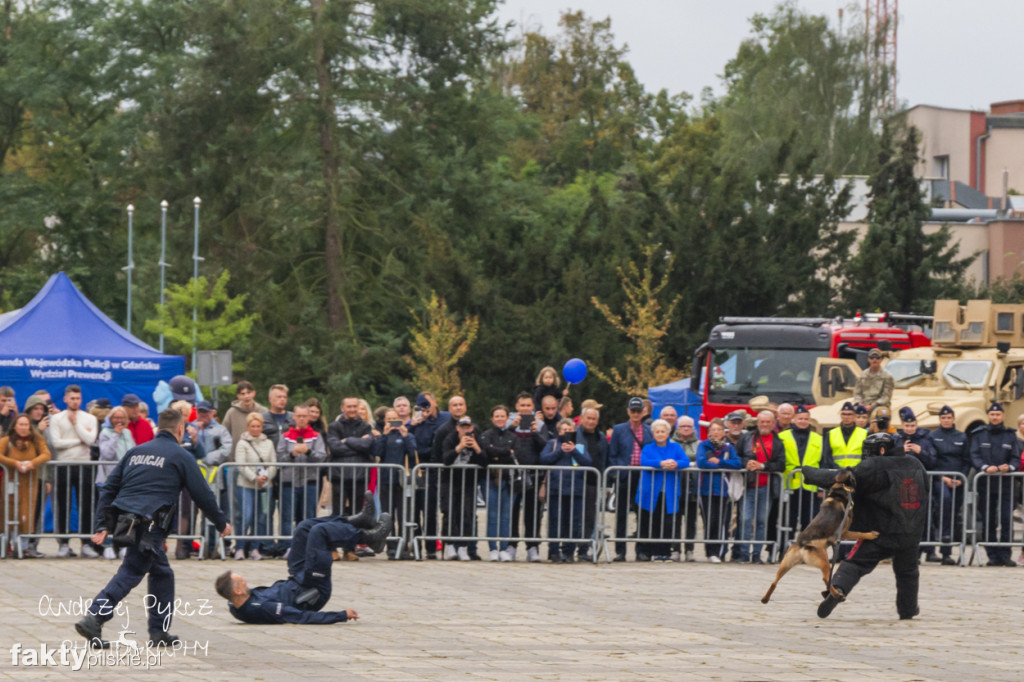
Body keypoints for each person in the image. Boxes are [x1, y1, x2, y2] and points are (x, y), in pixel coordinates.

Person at [74, 408, 232, 647]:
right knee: (131, 571)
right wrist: (221, 522)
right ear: (180, 430)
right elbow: (202, 494)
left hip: (126, 521)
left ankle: (159, 632)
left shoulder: (135, 452)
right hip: (151, 525)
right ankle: (94, 616)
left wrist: (102, 524)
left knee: (162, 573)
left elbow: (108, 488)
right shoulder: (180, 456)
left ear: (158, 429)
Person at [215, 493, 388, 625]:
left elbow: (231, 600)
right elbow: (298, 616)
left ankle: (357, 521)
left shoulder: (235, 603)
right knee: (319, 532)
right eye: (241, 582)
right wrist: (341, 615)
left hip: (297, 578)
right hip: (312, 588)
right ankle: (368, 538)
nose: (245, 580)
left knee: (303, 528)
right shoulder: (260, 608)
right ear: (237, 591)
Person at [808, 432, 928, 620]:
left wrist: (809, 472)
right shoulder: (915, 463)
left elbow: (842, 478)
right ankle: (908, 610)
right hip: (910, 530)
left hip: (879, 530)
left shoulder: (876, 464)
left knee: (856, 563)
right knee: (908, 572)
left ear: (881, 450)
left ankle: (838, 588)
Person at [50, 385, 100, 558]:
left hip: (84, 466)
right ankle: (63, 543)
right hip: (64, 465)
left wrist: (76, 424)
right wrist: (79, 441)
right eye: (72, 398)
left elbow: (90, 439)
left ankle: (86, 542)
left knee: (85, 505)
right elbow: (57, 443)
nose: (75, 401)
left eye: (78, 398)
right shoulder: (57, 419)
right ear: (65, 399)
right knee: (63, 504)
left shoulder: (89, 418)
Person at [970, 403, 1019, 567]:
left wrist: (1009, 467)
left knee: (1006, 520)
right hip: (986, 483)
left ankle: (1006, 554)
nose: (995, 417)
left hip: (1006, 484)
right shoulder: (979, 434)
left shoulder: (1010, 435)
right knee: (988, 520)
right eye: (992, 414)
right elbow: (975, 455)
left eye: (998, 414)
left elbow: (1015, 457)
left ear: (1003, 416)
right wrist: (985, 468)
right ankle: (992, 555)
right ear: (988, 416)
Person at [540, 418, 595, 562]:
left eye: (569, 430)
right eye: (564, 430)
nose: (566, 433)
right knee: (555, 521)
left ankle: (569, 552)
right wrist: (560, 451)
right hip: (555, 489)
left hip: (575, 490)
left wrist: (574, 451)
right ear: (559, 432)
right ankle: (554, 552)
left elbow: (588, 462)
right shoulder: (552, 444)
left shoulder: (580, 446)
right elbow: (544, 459)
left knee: (573, 522)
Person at [633, 419, 688, 562]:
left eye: (662, 431)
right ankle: (645, 551)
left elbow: (685, 461)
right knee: (649, 521)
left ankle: (663, 552)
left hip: (668, 491)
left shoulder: (676, 447)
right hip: (650, 491)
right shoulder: (648, 448)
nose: (660, 434)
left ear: (668, 433)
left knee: (667, 523)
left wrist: (676, 464)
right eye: (657, 431)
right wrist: (661, 463)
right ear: (653, 434)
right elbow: (644, 461)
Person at [608, 397, 654, 561]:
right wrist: (617, 474)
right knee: (621, 515)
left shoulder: (649, 430)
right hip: (624, 475)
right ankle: (620, 551)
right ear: (628, 411)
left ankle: (641, 550)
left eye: (638, 411)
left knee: (643, 514)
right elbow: (612, 454)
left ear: (643, 412)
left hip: (643, 476)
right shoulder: (619, 430)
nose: (635, 414)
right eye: (632, 411)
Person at [735, 411, 784, 564]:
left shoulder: (777, 441)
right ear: (758, 422)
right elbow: (736, 456)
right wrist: (746, 464)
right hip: (747, 485)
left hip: (767, 487)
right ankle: (743, 553)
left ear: (772, 423)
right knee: (745, 519)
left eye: (767, 422)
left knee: (762, 521)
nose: (764, 424)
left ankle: (757, 553)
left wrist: (762, 466)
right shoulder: (746, 437)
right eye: (762, 422)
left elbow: (781, 464)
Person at [0, 413, 50, 558]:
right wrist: (15, 463)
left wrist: (31, 463)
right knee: (7, 512)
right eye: (20, 424)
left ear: (29, 426)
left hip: (29, 483)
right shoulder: (6, 440)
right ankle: (6, 545)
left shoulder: (36, 440)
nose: (23, 427)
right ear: (15, 426)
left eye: (26, 424)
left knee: (27, 513)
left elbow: (46, 454)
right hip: (9, 482)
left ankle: (24, 546)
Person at [278, 404, 327, 544]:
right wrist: (292, 454)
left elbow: (322, 456)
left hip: (309, 481)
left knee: (308, 516)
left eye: (304, 416)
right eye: (298, 416)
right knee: (287, 517)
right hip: (289, 481)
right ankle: (286, 546)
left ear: (308, 417)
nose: (301, 419)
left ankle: (307, 544)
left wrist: (308, 452)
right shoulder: (285, 436)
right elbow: (279, 457)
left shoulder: (316, 436)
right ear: (293, 417)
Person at [409, 392, 450, 561]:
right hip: (416, 468)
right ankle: (416, 546)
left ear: (434, 402)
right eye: (421, 406)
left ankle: (431, 548)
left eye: (427, 404)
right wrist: (414, 424)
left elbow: (437, 445)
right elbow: (410, 445)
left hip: (432, 469)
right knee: (414, 511)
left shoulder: (444, 418)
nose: (424, 409)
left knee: (430, 511)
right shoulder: (415, 422)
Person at [508, 392, 548, 563]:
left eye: (528, 406)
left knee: (533, 513)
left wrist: (535, 433)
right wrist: (511, 428)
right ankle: (511, 546)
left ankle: (533, 547)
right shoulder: (509, 422)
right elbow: (503, 442)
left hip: (534, 475)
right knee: (512, 512)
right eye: (522, 405)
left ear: (533, 407)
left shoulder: (539, 425)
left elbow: (546, 448)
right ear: (517, 407)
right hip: (513, 475)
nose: (525, 409)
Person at [928, 405, 969, 565]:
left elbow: (967, 460)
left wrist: (961, 477)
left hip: (958, 479)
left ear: (953, 419)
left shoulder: (961, 437)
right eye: (943, 418)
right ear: (940, 419)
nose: (946, 420)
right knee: (945, 506)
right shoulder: (933, 436)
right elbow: (931, 459)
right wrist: (943, 477)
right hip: (940, 479)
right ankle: (939, 543)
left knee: (953, 514)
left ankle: (947, 553)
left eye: (949, 418)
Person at [696, 419, 742, 562]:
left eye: (719, 430)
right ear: (709, 432)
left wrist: (720, 462)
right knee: (710, 521)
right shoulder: (703, 445)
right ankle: (710, 552)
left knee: (723, 522)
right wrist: (720, 467)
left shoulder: (729, 448)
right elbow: (701, 462)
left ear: (724, 432)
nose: (716, 432)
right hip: (706, 489)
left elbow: (737, 463)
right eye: (713, 430)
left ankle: (720, 552)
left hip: (724, 490)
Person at [374, 408, 418, 559]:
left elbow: (413, 453)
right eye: (389, 419)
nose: (392, 422)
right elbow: (377, 452)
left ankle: (404, 546)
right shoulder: (382, 436)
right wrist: (384, 435)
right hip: (386, 480)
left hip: (402, 481)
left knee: (404, 515)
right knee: (387, 515)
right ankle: (391, 546)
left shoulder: (407, 434)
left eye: (395, 419)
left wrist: (405, 436)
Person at [441, 416, 485, 561]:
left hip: (469, 482)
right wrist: (459, 447)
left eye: (468, 427)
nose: (465, 430)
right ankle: (449, 545)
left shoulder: (477, 438)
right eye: (462, 427)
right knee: (450, 513)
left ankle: (462, 546)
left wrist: (477, 449)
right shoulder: (450, 439)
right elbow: (445, 460)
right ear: (457, 428)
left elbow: (485, 462)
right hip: (451, 481)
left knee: (467, 514)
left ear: (472, 428)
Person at [234, 412, 277, 560]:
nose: (256, 428)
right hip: (246, 485)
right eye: (253, 426)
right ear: (248, 427)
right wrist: (254, 477)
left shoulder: (268, 443)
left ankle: (255, 548)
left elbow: (273, 463)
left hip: (265, 486)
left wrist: (266, 477)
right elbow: (241, 465)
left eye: (258, 426)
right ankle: (239, 547)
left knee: (261, 518)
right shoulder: (242, 443)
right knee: (246, 516)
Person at [96, 407, 136, 560]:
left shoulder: (128, 433)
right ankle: (107, 545)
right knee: (106, 514)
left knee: (125, 514)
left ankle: (122, 544)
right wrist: (116, 435)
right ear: (111, 419)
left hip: (125, 480)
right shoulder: (105, 433)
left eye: (122, 418)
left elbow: (132, 451)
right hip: (107, 479)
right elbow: (107, 454)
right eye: (116, 418)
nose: (119, 421)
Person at [779, 405, 822, 541]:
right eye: (800, 418)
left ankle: (807, 550)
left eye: (806, 419)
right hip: (789, 486)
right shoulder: (782, 437)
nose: (803, 421)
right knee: (788, 521)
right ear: (794, 420)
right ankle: (784, 550)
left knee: (809, 522)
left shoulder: (818, 438)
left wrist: (822, 486)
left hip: (810, 486)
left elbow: (823, 462)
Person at [326, 397, 375, 518]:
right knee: (338, 514)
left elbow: (366, 445)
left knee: (357, 514)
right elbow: (335, 448)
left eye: (354, 406)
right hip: (339, 476)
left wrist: (347, 440)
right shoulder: (334, 427)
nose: (352, 409)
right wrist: (357, 446)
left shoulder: (366, 427)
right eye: (349, 407)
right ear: (342, 408)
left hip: (360, 477)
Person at [479, 405, 517, 561]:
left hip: (508, 480)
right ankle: (493, 548)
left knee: (506, 516)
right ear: (492, 418)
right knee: (493, 515)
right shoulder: (486, 435)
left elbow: (514, 453)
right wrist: (505, 452)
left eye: (503, 416)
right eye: (497, 416)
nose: (500, 419)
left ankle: (504, 548)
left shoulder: (513, 436)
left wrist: (499, 453)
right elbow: (486, 451)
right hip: (490, 479)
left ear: (507, 418)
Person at [576, 405, 608, 561]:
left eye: (594, 418)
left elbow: (604, 459)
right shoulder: (574, 434)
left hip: (593, 482)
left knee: (589, 518)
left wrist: (605, 479)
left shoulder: (601, 437)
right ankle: (565, 548)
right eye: (588, 418)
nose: (591, 421)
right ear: (582, 418)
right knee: (573, 516)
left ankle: (583, 549)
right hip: (575, 481)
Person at [671, 416, 700, 562]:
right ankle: (675, 549)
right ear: (678, 428)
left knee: (691, 521)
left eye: (689, 426)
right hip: (675, 486)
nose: (686, 429)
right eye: (683, 426)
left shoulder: (698, 444)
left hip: (692, 487)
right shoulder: (671, 443)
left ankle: (690, 549)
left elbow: (700, 459)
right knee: (675, 520)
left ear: (693, 428)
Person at [221, 381, 267, 460]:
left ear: (254, 393)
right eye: (243, 394)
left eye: (248, 393)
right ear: (238, 396)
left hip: (258, 459)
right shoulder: (231, 412)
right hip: (235, 459)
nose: (246, 396)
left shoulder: (263, 412)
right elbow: (223, 434)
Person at [853, 348, 894, 414]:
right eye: (872, 358)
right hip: (864, 404)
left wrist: (873, 406)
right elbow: (857, 393)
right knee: (849, 411)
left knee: (881, 414)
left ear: (881, 360)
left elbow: (886, 397)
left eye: (877, 358)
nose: (874, 360)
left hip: (880, 405)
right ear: (868, 359)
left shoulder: (887, 376)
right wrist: (860, 403)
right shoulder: (862, 375)